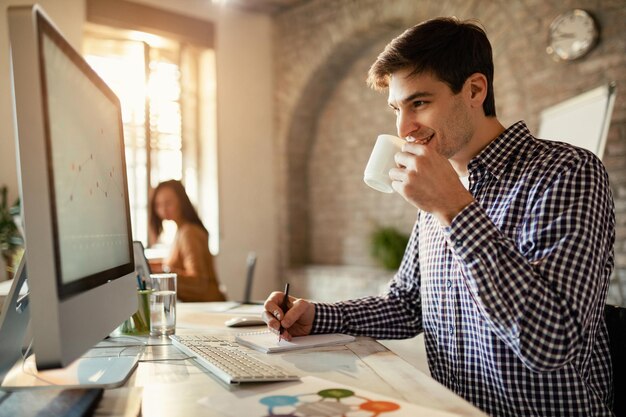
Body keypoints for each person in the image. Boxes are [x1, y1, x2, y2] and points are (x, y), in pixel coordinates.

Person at [263, 17, 615, 417]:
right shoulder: (439, 191)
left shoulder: (566, 172)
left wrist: (453, 207)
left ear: (474, 90)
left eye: (420, 102)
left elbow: (552, 343)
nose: (404, 127)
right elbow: (406, 305)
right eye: (397, 107)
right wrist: (318, 316)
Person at [149, 180, 226, 302]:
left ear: (181, 201)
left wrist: (164, 273)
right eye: (158, 204)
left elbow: (198, 283)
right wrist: (153, 266)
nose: (163, 209)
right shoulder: (181, 230)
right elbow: (177, 263)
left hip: (208, 306)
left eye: (168, 203)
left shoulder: (189, 233)